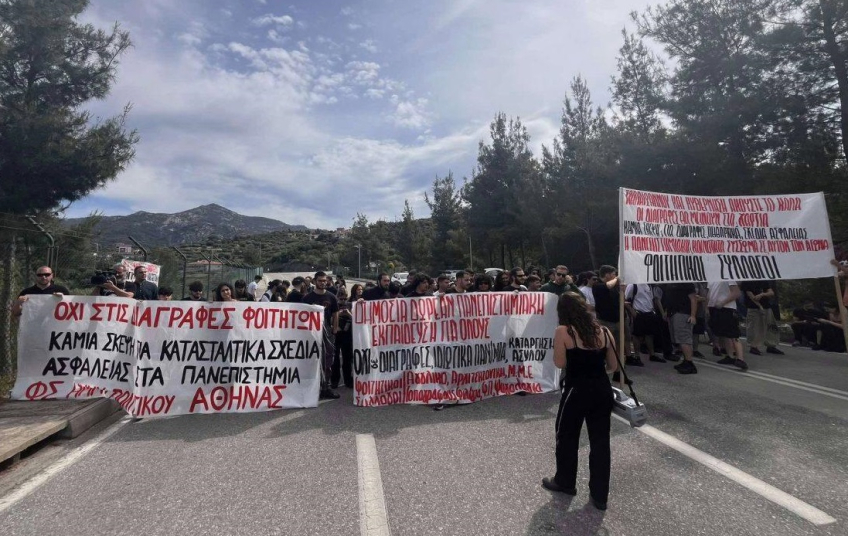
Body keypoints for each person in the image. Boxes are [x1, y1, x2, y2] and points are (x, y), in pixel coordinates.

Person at [541, 292, 617, 511]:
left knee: (566, 435)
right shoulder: (604, 331)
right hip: (601, 389)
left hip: (576, 390)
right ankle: (600, 495)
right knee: (600, 441)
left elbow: (559, 363)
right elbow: (613, 365)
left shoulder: (564, 331)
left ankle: (565, 481)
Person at [301, 271, 340, 400]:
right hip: (312, 331)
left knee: (328, 360)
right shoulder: (307, 298)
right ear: (314, 281)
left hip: (327, 331)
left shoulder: (331, 296)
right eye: (320, 281)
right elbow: (302, 315)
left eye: (324, 281)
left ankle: (326, 387)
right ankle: (313, 388)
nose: (323, 283)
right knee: (313, 359)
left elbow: (335, 313)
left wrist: (335, 328)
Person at [707, 280, 747, 370]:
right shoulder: (712, 278)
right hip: (715, 308)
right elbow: (710, 294)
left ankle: (740, 359)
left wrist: (723, 302)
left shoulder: (727, 277)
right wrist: (708, 307)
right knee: (724, 334)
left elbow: (736, 293)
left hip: (727, 308)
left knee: (733, 334)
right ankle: (730, 356)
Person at [662, 283, 699, 374]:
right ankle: (686, 361)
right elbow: (670, 298)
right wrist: (667, 311)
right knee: (678, 339)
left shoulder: (686, 283)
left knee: (684, 339)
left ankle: (689, 363)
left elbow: (693, 299)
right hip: (673, 313)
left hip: (683, 313)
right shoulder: (670, 283)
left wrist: (693, 315)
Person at [332, 286, 354, 389]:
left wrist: (348, 314)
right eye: (341, 299)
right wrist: (339, 314)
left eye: (345, 298)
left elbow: (356, 320)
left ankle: (348, 380)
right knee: (335, 359)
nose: (343, 300)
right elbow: (329, 319)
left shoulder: (350, 305)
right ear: (337, 297)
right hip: (336, 334)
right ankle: (334, 380)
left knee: (347, 359)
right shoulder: (334, 305)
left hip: (347, 334)